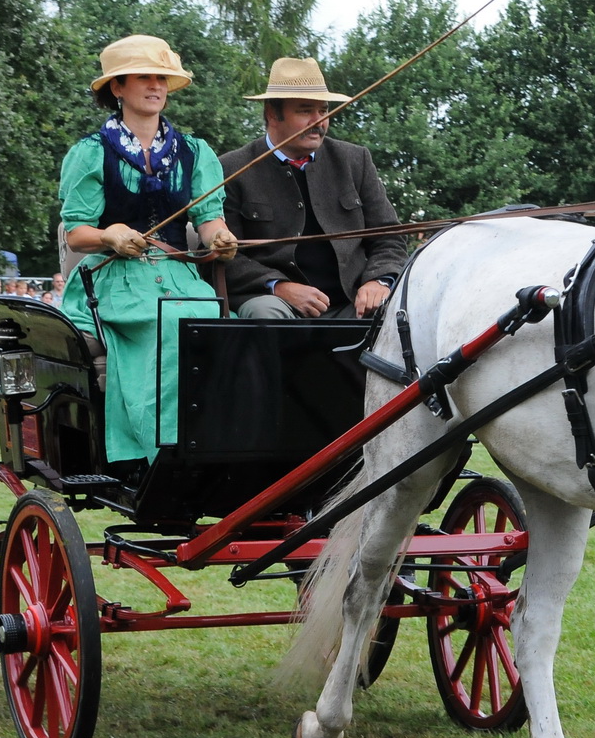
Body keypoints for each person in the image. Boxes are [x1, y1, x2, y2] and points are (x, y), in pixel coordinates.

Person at [58, 34, 236, 467]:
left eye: (162, 78)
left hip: (177, 276)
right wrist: (109, 235)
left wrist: (220, 238)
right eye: (144, 77)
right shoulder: (91, 152)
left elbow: (208, 219)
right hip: (113, 280)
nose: (156, 86)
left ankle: (215, 446)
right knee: (170, 320)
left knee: (216, 324)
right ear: (117, 88)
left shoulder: (196, 153)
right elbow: (75, 233)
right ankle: (156, 452)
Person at [219, 57, 406, 320]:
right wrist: (279, 287)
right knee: (264, 314)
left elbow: (389, 237)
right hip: (274, 300)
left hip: (351, 301)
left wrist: (379, 280)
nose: (319, 121)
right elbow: (226, 256)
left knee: (397, 315)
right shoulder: (231, 168)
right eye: (305, 111)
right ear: (273, 113)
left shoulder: (355, 160)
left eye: (324, 110)